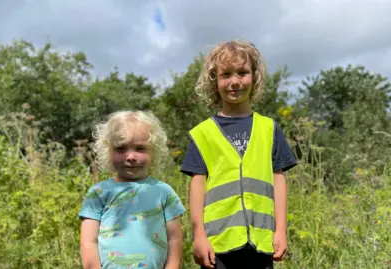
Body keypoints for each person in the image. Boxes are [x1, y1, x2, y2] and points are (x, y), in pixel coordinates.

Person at [180, 40, 297, 269]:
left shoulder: (269, 129)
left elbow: (278, 179)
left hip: (261, 242)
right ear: (214, 82)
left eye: (242, 73)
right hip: (217, 243)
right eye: (226, 75)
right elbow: (197, 186)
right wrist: (199, 236)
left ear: (254, 77)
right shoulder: (202, 134)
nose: (235, 81)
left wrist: (280, 231)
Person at [79, 110, 186, 269]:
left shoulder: (163, 192)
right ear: (108, 152)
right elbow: (88, 241)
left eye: (140, 148)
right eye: (121, 149)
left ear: (153, 152)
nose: (130, 156)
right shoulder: (99, 193)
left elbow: (174, 239)